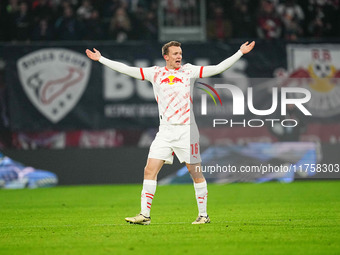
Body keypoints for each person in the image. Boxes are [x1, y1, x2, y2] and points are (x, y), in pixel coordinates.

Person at [85, 40, 255, 225]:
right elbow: (127, 70)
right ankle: (144, 215)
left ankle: (203, 215)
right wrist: (101, 59)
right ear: (166, 57)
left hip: (186, 131)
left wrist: (240, 52)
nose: (179, 56)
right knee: (149, 170)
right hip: (165, 132)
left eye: (180, 53)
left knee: (195, 172)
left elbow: (218, 68)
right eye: (175, 54)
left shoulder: (189, 71)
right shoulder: (155, 73)